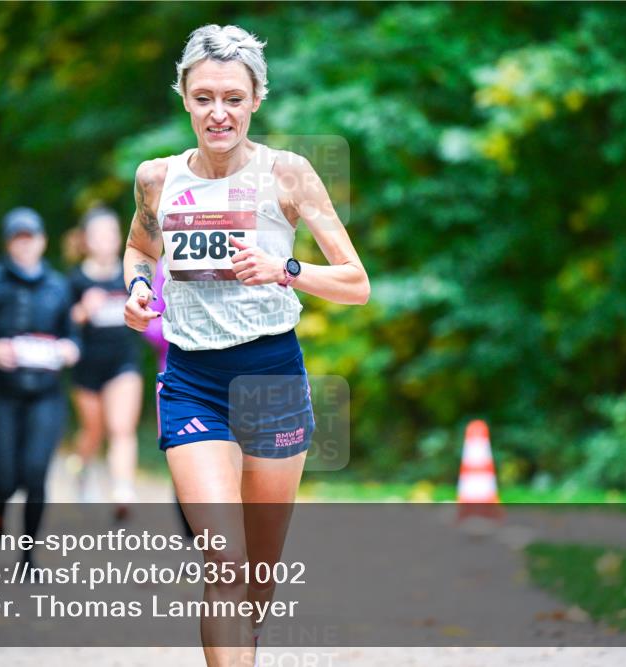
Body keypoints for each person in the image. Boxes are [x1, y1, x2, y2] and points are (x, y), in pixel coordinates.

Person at [123, 25, 369, 667]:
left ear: (256, 98)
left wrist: (285, 270)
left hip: (271, 377)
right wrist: (138, 290)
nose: (218, 112)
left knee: (257, 575)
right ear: (183, 98)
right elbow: (139, 251)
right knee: (224, 560)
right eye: (203, 97)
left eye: (233, 97)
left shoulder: (288, 175)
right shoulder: (157, 179)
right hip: (192, 379)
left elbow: (356, 283)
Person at [0, 207, 80, 564]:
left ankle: (29, 555)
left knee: (36, 474)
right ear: (9, 244)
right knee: (7, 480)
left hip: (46, 396)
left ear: (42, 242)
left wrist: (71, 349)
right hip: (1, 397)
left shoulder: (58, 287)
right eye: (17, 239)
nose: (25, 246)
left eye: (31, 238)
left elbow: (73, 337)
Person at [69, 206, 144, 518]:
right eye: (99, 235)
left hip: (124, 363)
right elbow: (60, 324)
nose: (107, 240)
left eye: (112, 233)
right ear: (86, 240)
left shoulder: (131, 274)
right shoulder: (74, 280)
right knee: (93, 431)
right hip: (86, 367)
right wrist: (83, 311)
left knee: (121, 427)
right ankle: (82, 468)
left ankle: (122, 489)